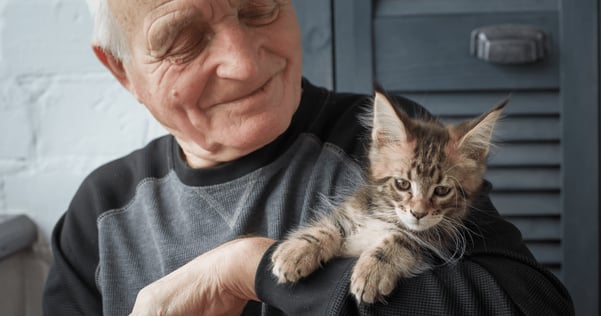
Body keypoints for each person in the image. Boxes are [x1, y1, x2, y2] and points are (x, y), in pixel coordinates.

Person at [43, 0, 574, 315]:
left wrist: (251, 269)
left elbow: (533, 304)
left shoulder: (390, 142)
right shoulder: (99, 213)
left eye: (259, 7)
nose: (245, 64)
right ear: (121, 70)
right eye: (183, 39)